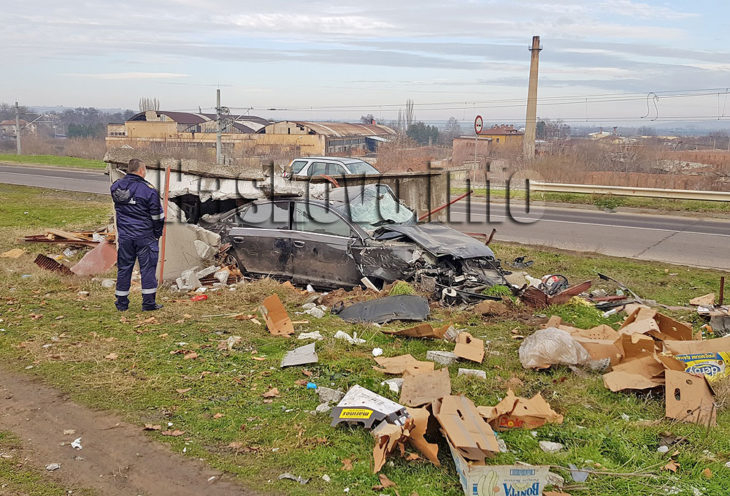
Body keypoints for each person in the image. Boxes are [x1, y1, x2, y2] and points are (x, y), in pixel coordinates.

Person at [110, 159, 165, 311]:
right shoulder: (149, 190)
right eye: (145, 170)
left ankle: (121, 304)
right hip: (145, 236)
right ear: (141, 170)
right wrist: (157, 233)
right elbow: (158, 217)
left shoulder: (116, 187)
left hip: (125, 237)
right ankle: (148, 303)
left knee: (124, 268)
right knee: (147, 269)